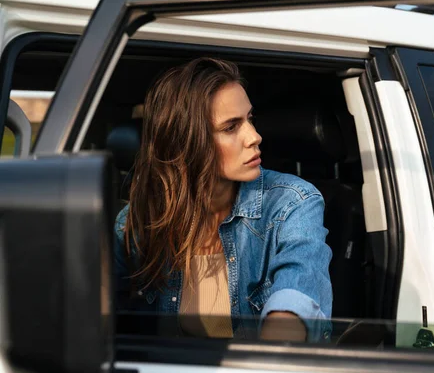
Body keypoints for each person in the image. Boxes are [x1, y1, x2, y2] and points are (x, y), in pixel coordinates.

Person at [113, 58, 333, 342]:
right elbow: (91, 314)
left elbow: (298, 290)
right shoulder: (137, 223)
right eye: (231, 127)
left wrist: (275, 346)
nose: (255, 136)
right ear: (186, 141)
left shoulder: (292, 203)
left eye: (250, 119)